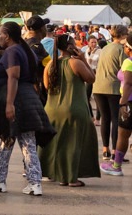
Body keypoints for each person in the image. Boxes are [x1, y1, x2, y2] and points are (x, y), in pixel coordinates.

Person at [0, 21, 55, 196]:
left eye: (0, 34)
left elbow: (13, 77)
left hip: (14, 99)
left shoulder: (13, 51)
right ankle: (34, 183)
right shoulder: (24, 49)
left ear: (7, 35)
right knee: (28, 143)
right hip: (27, 98)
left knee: (3, 139)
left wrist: (9, 104)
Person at [39, 34, 100, 186]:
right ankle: (71, 178)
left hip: (52, 110)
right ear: (70, 47)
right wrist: (83, 59)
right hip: (74, 108)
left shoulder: (50, 65)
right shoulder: (76, 63)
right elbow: (92, 79)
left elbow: (47, 87)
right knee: (73, 144)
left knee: (57, 144)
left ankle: (58, 174)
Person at [93, 24, 127, 162]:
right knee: (115, 119)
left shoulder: (105, 47)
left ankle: (105, 150)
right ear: (122, 36)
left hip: (98, 87)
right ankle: (115, 152)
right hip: (113, 88)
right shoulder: (121, 49)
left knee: (105, 119)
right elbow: (124, 70)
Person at [101, 36, 132, 176]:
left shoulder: (128, 62)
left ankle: (116, 166)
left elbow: (128, 84)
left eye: (125, 45)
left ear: (129, 48)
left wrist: (123, 103)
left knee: (123, 135)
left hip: (129, 101)